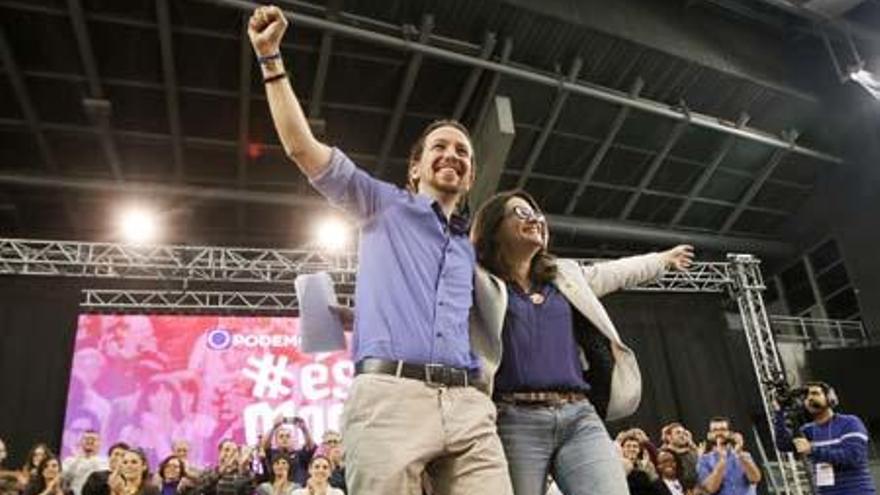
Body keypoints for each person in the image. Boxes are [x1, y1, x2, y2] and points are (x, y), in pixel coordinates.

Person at [247, 5, 512, 495]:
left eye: (463, 153)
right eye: (440, 147)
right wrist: (270, 58)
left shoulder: (469, 247)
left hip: (467, 404)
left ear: (471, 176)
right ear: (415, 169)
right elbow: (302, 149)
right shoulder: (382, 205)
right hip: (389, 399)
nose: (452, 154)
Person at [468, 190, 693, 495]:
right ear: (493, 226)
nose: (535, 218)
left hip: (579, 417)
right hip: (513, 421)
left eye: (537, 214)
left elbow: (616, 272)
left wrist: (662, 260)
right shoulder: (476, 279)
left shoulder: (564, 275)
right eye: (521, 213)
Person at [774, 381, 877, 495]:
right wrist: (779, 412)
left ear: (830, 397)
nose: (810, 398)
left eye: (815, 393)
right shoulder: (807, 430)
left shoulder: (850, 422)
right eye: (806, 396)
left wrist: (812, 450)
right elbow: (783, 445)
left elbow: (853, 456)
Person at [696, 417, 761, 495]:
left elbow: (755, 479)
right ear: (709, 435)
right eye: (715, 430)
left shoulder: (744, 455)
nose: (719, 433)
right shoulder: (704, 460)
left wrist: (739, 453)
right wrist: (722, 460)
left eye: (723, 429)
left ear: (730, 433)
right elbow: (710, 488)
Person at [179, 440, 253, 495]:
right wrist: (221, 471)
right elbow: (201, 489)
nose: (230, 454)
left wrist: (243, 468)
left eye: (234, 451)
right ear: (220, 453)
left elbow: (248, 490)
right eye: (227, 450)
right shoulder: (209, 473)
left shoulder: (244, 474)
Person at [258, 417, 314, 487]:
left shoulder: (299, 454)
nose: (284, 438)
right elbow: (265, 446)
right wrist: (274, 427)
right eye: (281, 436)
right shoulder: (273, 454)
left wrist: (304, 429)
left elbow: (310, 447)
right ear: (276, 441)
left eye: (288, 436)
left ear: (293, 439)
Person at [62, 430, 108, 495]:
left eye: (93, 439)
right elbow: (63, 478)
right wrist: (78, 459)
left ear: (99, 443)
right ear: (80, 442)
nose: (89, 441)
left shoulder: (105, 462)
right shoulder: (70, 461)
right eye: (86, 439)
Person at [661, 422, 700, 493]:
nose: (682, 435)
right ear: (669, 437)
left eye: (684, 433)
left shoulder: (692, 452)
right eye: (678, 433)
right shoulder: (664, 456)